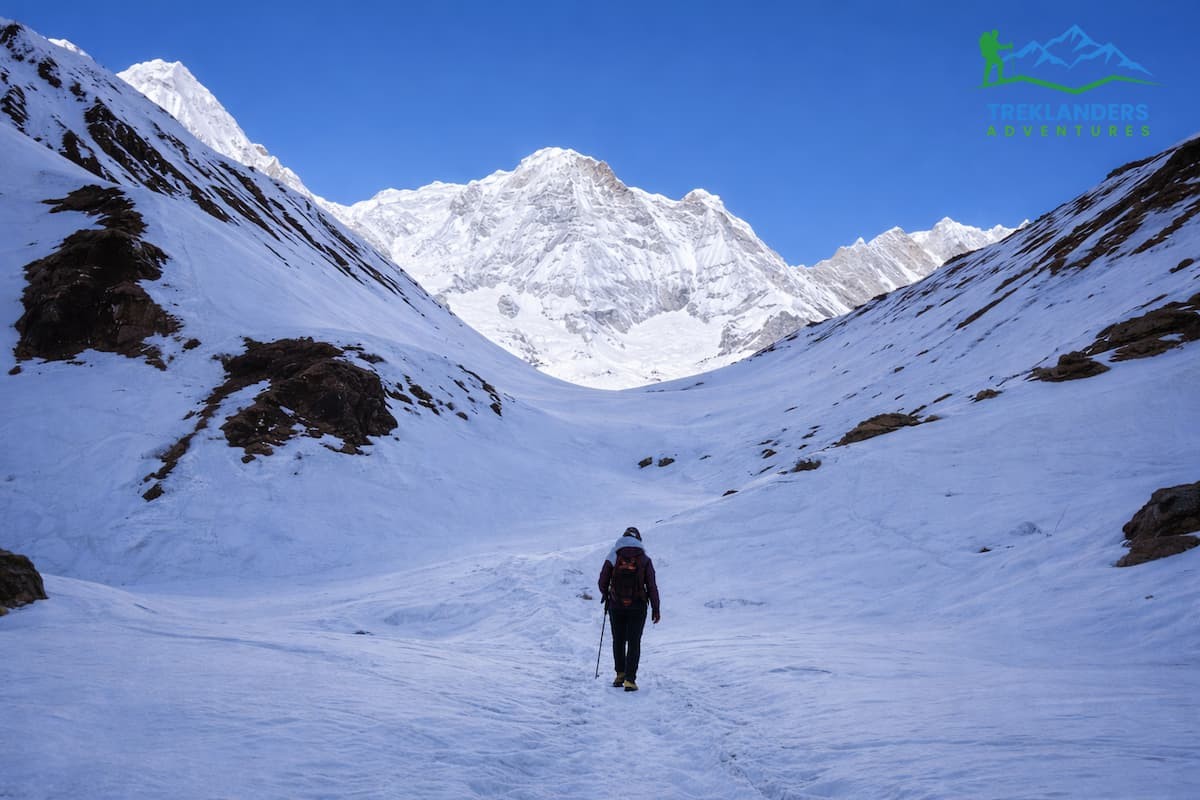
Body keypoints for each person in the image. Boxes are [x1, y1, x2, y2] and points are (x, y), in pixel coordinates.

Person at [598, 526, 661, 692]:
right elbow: (652, 586)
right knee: (634, 641)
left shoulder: (613, 555)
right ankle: (630, 680)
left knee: (618, 640)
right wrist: (656, 608)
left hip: (616, 605)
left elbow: (602, 581)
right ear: (638, 539)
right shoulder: (644, 558)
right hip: (638, 606)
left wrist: (607, 595)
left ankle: (620, 674)